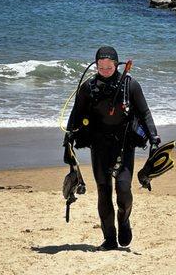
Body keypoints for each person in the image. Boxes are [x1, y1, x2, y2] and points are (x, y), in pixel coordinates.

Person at [63, 46, 160, 250]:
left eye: (109, 67)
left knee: (123, 189)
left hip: (124, 143)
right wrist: (68, 140)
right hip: (99, 144)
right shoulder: (88, 87)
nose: (105, 70)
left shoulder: (130, 85)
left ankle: (124, 221)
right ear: (95, 66)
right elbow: (76, 113)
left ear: (117, 65)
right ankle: (109, 238)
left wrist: (154, 137)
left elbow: (145, 112)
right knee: (103, 190)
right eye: (101, 67)